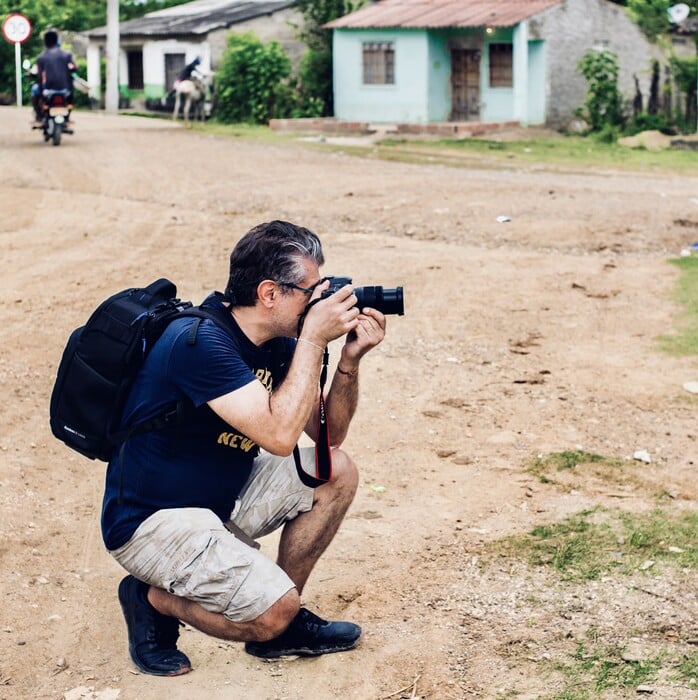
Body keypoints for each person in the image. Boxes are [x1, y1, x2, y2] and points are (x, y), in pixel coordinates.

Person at [101, 220, 387, 676]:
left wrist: (349, 362)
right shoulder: (199, 343)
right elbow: (278, 436)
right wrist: (313, 339)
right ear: (270, 292)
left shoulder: (276, 344)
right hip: (152, 524)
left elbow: (328, 437)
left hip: (219, 504)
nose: (322, 301)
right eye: (310, 291)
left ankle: (280, 623)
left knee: (336, 471)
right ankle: (151, 599)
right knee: (271, 613)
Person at [35, 30, 75, 123]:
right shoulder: (67, 54)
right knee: (70, 100)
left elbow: (40, 77)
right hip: (66, 89)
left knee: (34, 92)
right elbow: (75, 68)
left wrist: (41, 96)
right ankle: (67, 117)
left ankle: (39, 117)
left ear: (45, 42)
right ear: (57, 40)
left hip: (48, 89)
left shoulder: (41, 57)